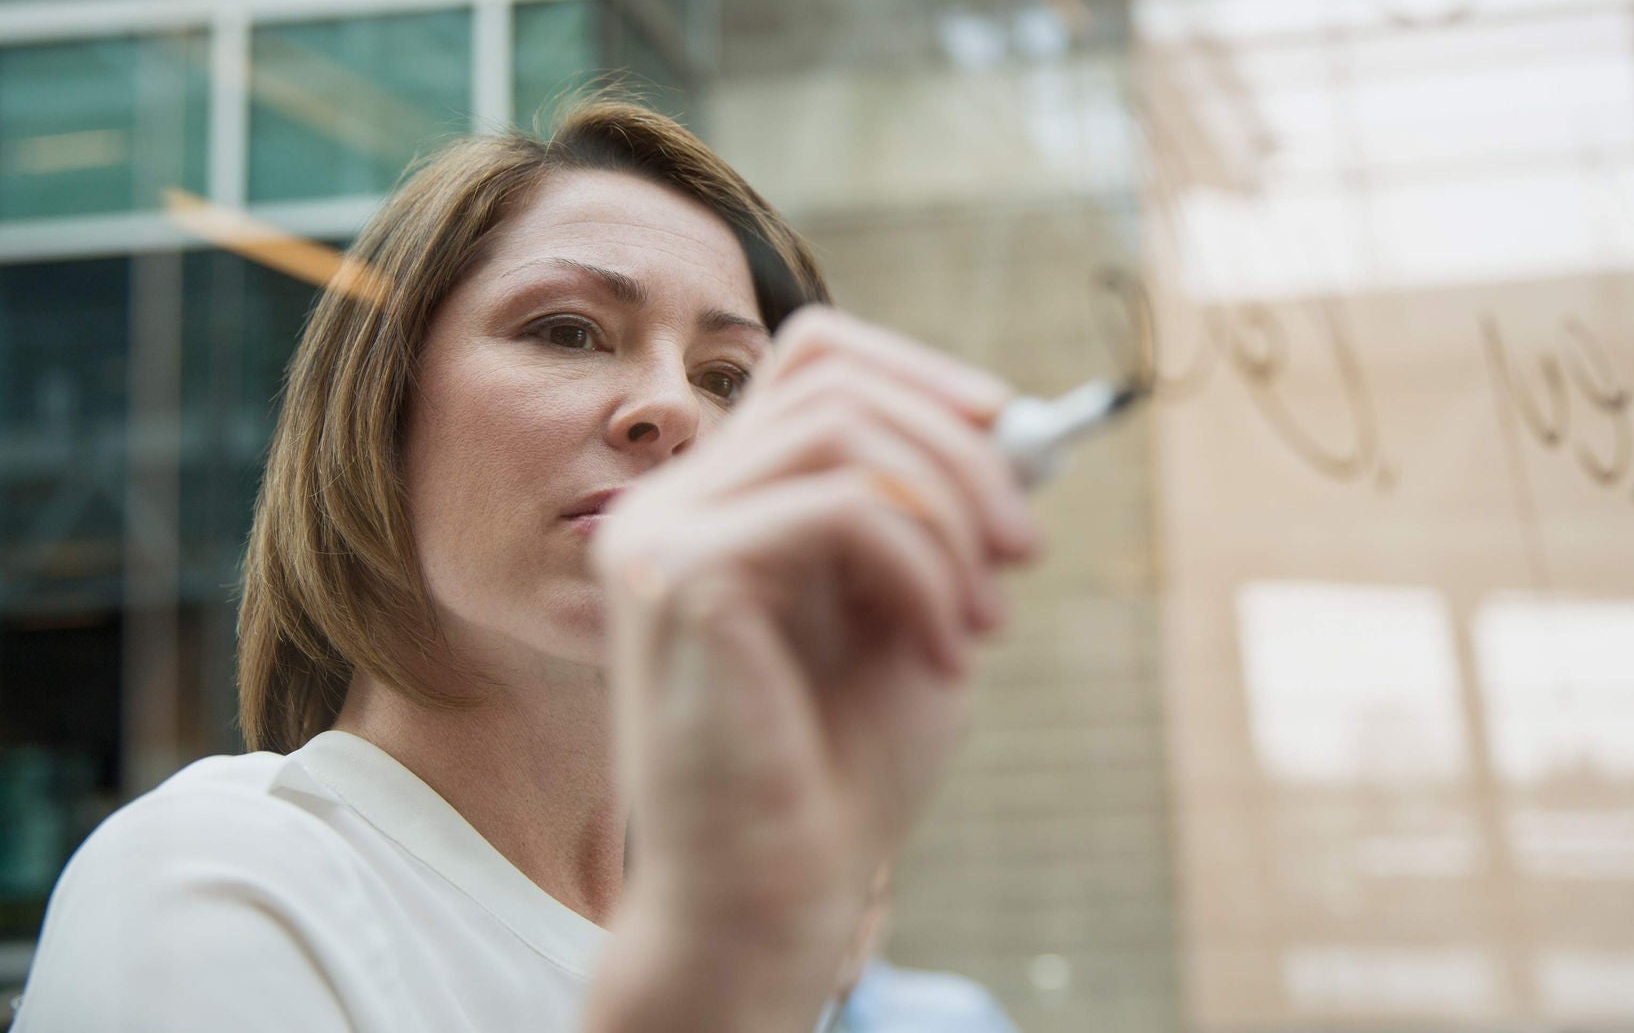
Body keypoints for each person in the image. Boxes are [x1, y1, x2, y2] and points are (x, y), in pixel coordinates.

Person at [14, 98, 1041, 1033]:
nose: (672, 408)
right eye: (567, 331)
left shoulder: (780, 966)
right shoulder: (217, 880)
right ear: (379, 417)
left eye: (727, 376)